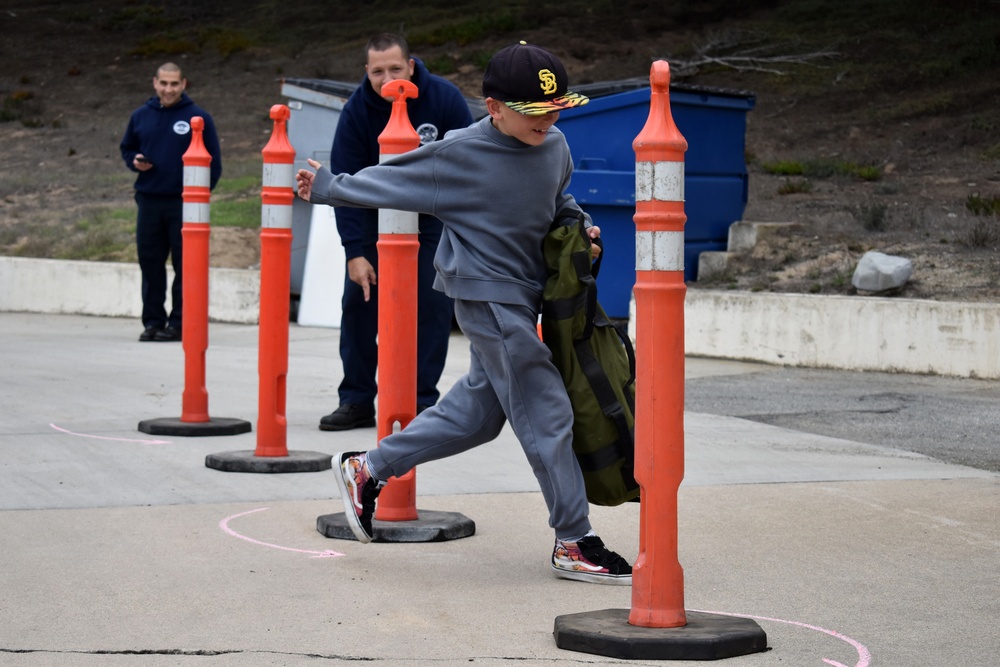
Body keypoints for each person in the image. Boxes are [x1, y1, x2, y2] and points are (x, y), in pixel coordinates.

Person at [296, 42, 632, 585]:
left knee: (476, 419)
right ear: (494, 107)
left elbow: (559, 202)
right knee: (548, 414)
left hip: (530, 295)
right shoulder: (457, 154)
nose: (546, 120)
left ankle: (367, 468)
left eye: (555, 109)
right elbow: (390, 179)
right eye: (532, 112)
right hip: (488, 297)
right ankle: (574, 540)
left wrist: (581, 229)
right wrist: (329, 187)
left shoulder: (556, 145)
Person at [319, 33, 473, 431]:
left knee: (432, 309)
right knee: (359, 306)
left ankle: (420, 403)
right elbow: (343, 184)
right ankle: (355, 400)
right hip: (373, 219)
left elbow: (470, 162)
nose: (387, 78)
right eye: (377, 72)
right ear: (365, 72)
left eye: (394, 69)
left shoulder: (444, 99)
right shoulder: (356, 112)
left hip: (431, 220)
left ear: (410, 66)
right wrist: (355, 251)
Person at [120, 62, 222, 342]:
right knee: (150, 264)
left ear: (184, 84)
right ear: (155, 83)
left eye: (174, 84)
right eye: (163, 83)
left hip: (184, 205)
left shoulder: (198, 118)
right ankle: (153, 322)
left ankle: (179, 324)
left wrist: (198, 196)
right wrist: (135, 162)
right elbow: (128, 148)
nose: (168, 89)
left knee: (184, 265)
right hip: (149, 201)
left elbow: (214, 164)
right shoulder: (140, 116)